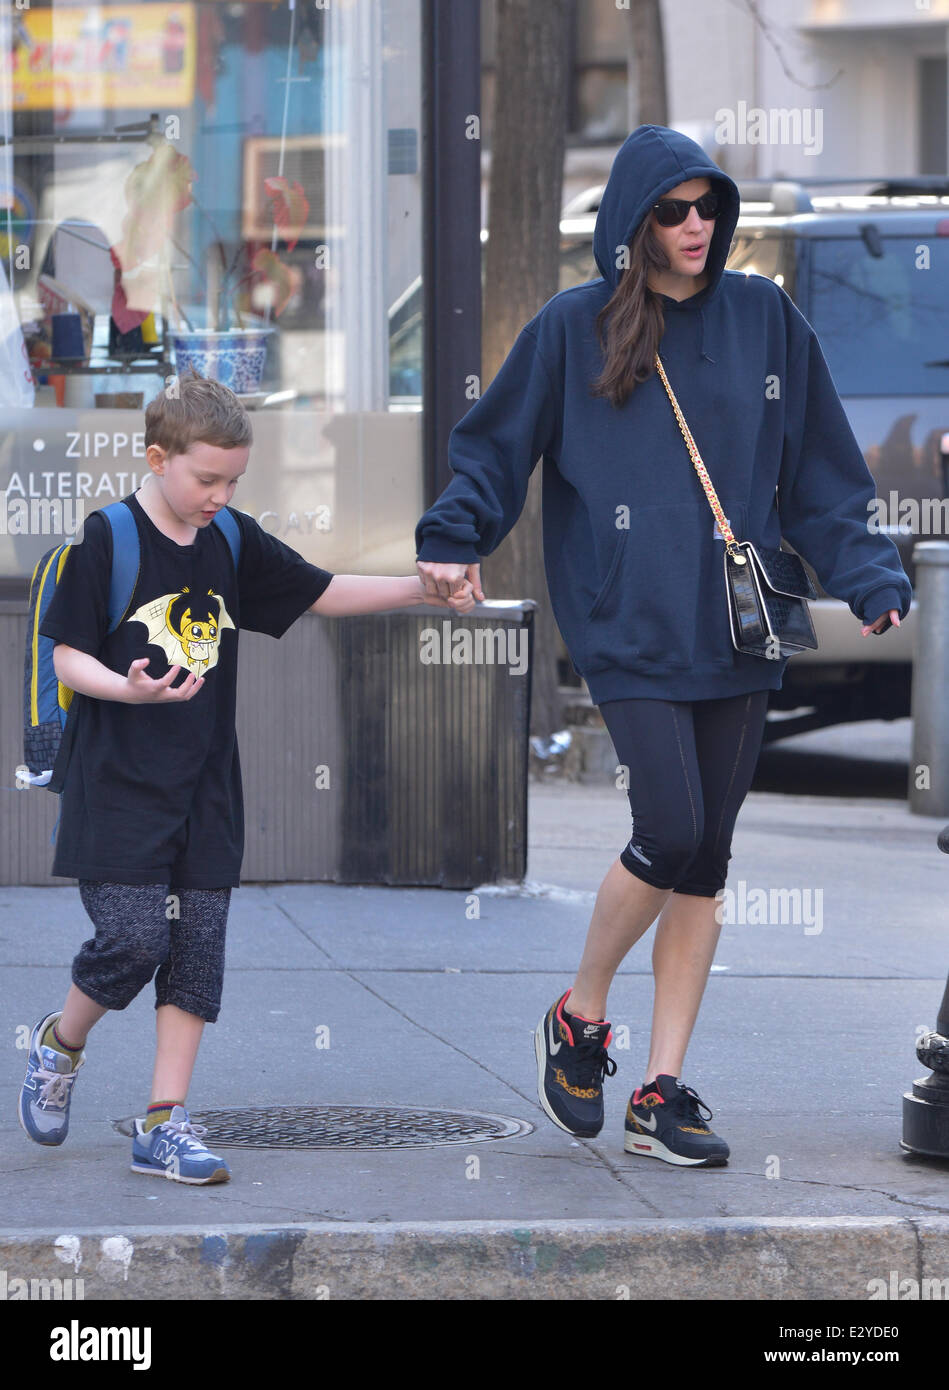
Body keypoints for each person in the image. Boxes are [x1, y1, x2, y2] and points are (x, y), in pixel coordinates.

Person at [415, 124, 911, 1167]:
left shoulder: (764, 319)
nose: (696, 227)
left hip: (736, 627)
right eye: (673, 211)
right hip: (627, 622)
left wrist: (866, 575)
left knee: (706, 862)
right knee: (670, 824)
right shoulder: (573, 327)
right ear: (634, 223)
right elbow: (495, 449)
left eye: (708, 209)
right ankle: (580, 1016)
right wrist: (453, 537)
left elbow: (820, 474)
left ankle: (662, 1088)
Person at [18, 369, 473, 1184]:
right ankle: (63, 1041)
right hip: (115, 782)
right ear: (158, 459)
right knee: (129, 941)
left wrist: (424, 590)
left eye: (233, 481)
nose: (220, 496)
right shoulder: (107, 539)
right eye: (206, 479)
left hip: (205, 784)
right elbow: (66, 654)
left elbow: (322, 591)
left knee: (196, 952)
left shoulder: (229, 540)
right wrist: (126, 686)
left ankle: (165, 1122)